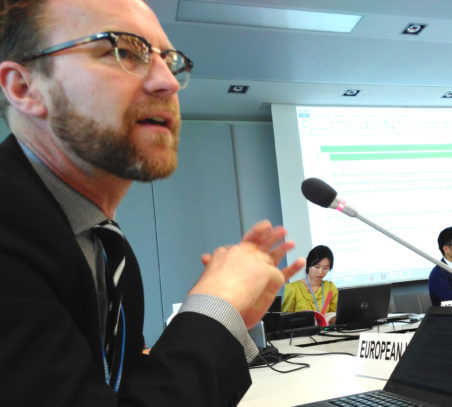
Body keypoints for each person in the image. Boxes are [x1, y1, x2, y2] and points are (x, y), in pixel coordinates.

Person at [0, 1, 305, 406]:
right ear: (25, 88)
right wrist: (216, 306)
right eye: (122, 50)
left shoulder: (109, 251)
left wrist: (228, 321)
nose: (169, 82)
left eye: (170, 60)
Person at [282, 245, 338, 315]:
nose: (321, 272)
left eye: (326, 268)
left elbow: (335, 316)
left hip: (326, 326)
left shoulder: (330, 288)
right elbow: (285, 320)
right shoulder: (293, 289)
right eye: (317, 267)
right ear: (309, 265)